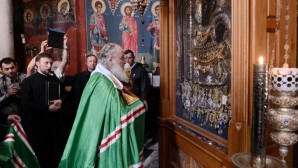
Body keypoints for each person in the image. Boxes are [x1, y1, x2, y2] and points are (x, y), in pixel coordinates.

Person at [59, 43, 145, 167]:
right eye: (121, 58)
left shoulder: (103, 77)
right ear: (110, 59)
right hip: (102, 139)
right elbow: (120, 113)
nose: (124, 62)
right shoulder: (102, 83)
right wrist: (138, 104)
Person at [20, 53, 63, 168]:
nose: (49, 66)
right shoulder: (28, 82)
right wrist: (47, 108)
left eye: (51, 63)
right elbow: (26, 104)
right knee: (40, 156)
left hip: (53, 124)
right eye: (46, 63)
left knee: (54, 154)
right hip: (36, 125)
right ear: (37, 64)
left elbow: (62, 96)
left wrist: (60, 101)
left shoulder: (54, 79)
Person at [0, 58, 25, 139]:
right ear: (1, 70)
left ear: (16, 66)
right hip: (7, 119)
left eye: (12, 68)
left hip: (24, 117)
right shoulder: (0, 83)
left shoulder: (24, 78)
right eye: (6, 69)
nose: (10, 71)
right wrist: (7, 95)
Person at [147, 4, 160, 72]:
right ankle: (155, 67)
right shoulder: (154, 19)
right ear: (155, 11)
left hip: (163, 38)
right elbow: (148, 28)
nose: (159, 11)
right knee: (155, 52)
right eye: (157, 9)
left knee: (163, 51)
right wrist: (153, 26)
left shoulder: (165, 19)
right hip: (156, 38)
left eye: (160, 9)